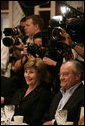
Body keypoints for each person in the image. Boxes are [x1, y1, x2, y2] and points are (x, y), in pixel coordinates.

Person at [1, 58, 52, 125]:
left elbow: (36, 119)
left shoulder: (44, 94)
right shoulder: (20, 91)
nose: (27, 75)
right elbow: (10, 109)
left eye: (31, 72)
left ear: (39, 75)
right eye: (26, 72)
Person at [42, 60, 84, 125]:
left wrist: (53, 123)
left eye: (65, 74)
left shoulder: (82, 94)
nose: (61, 78)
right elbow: (47, 117)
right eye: (60, 74)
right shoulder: (58, 95)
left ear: (77, 76)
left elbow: (80, 121)